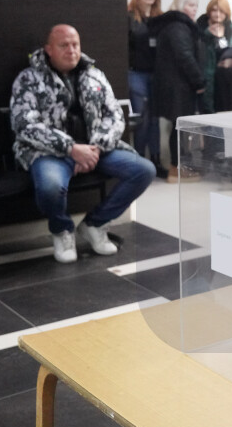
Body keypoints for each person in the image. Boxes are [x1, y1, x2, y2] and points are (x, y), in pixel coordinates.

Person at [10, 24, 155, 263]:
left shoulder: (94, 74)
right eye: (64, 45)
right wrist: (71, 149)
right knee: (50, 186)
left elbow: (115, 116)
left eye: (75, 44)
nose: (71, 50)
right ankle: (62, 230)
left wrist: (95, 148)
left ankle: (94, 224)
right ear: (48, 49)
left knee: (143, 170)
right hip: (49, 152)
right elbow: (24, 125)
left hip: (96, 148)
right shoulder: (28, 79)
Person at [149, 0, 205, 182]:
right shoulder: (178, 27)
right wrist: (199, 81)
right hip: (178, 87)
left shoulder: (174, 25)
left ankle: (178, 168)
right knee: (179, 127)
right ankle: (176, 169)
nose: (194, 9)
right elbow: (184, 56)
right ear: (181, 6)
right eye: (191, 5)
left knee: (178, 126)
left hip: (175, 85)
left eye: (196, 6)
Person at [126, 0, 167, 178]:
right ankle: (140, 161)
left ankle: (156, 160)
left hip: (156, 74)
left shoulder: (161, 19)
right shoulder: (129, 17)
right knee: (141, 118)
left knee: (155, 119)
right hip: (136, 74)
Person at [195, 0, 232, 114]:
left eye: (221, 11)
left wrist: (221, 37)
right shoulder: (199, 28)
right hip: (204, 77)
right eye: (214, 10)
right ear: (209, 11)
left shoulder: (231, 30)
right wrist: (208, 34)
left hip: (224, 78)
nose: (217, 14)